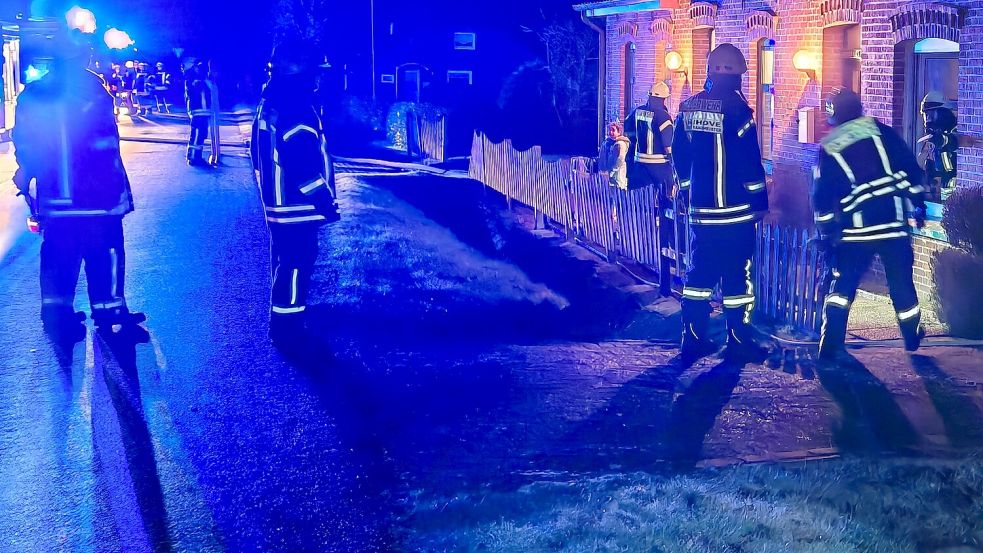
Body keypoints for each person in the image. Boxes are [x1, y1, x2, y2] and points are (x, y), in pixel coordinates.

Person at [11, 28, 144, 338]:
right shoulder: (94, 91)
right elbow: (107, 146)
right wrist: (120, 195)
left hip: (58, 197)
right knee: (105, 254)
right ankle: (110, 314)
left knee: (59, 256)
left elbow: (26, 142)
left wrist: (28, 174)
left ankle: (57, 318)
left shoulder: (34, 94)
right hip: (99, 197)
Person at [813, 88, 928, 360]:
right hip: (893, 225)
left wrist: (827, 233)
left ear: (835, 116)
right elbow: (910, 168)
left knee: (843, 288)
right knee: (901, 283)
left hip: (855, 232)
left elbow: (822, 196)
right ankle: (911, 335)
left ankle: (830, 344)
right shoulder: (882, 132)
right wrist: (919, 204)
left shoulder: (830, 146)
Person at [672, 44, 769, 361]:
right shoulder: (739, 110)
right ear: (735, 74)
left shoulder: (688, 108)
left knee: (698, 277)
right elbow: (750, 161)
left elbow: (679, 156)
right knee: (737, 277)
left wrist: (688, 192)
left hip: (702, 213)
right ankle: (738, 341)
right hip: (736, 213)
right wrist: (759, 200)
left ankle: (692, 339)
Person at [251, 39, 340, 350]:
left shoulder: (271, 103)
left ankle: (283, 323)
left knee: (285, 263)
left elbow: (257, 156)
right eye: (316, 72)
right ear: (301, 74)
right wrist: (325, 201)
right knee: (297, 265)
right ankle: (288, 330)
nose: (319, 79)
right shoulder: (297, 110)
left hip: (279, 206)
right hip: (297, 207)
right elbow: (302, 166)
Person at [626, 82, 676, 295]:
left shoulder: (638, 111)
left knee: (641, 205)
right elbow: (669, 145)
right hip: (659, 166)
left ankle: (638, 241)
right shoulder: (663, 116)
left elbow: (629, 131)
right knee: (666, 206)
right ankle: (667, 241)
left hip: (640, 165)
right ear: (664, 98)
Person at [916, 91, 958, 199]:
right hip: (942, 196)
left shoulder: (955, 131)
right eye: (925, 115)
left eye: (930, 114)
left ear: (942, 113)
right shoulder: (932, 140)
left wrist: (942, 140)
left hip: (958, 195)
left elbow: (953, 142)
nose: (927, 119)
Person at [185, 61, 212, 166]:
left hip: (203, 113)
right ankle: (193, 158)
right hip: (198, 113)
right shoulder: (194, 81)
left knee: (201, 135)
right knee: (196, 135)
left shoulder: (203, 81)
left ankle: (197, 156)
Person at [599, 121, 630, 190]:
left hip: (616, 176)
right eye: (609, 130)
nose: (611, 132)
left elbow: (620, 160)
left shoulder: (620, 144)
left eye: (613, 130)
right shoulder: (608, 143)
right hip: (606, 174)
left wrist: (611, 172)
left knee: (616, 192)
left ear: (619, 132)